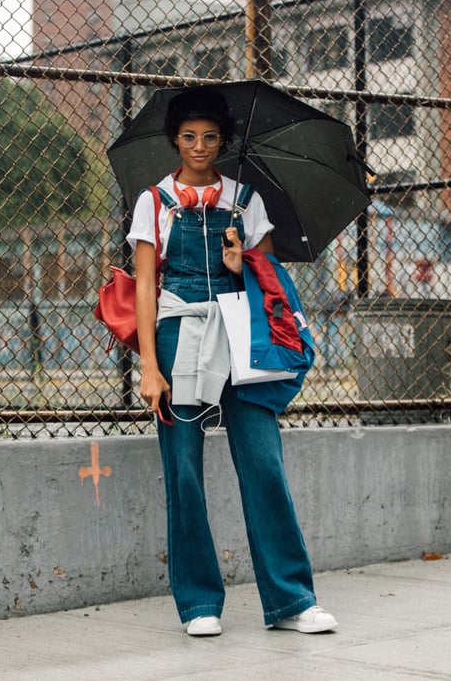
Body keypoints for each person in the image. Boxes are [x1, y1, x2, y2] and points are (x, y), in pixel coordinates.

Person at [127, 88, 338, 637]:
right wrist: (150, 366)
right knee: (184, 467)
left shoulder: (248, 201)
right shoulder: (153, 201)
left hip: (242, 331)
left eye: (211, 137)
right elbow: (146, 283)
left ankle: (291, 600)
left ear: (225, 141)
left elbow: (268, 281)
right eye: (190, 136)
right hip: (179, 331)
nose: (200, 146)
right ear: (175, 139)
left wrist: (239, 258)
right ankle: (199, 603)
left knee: (264, 460)